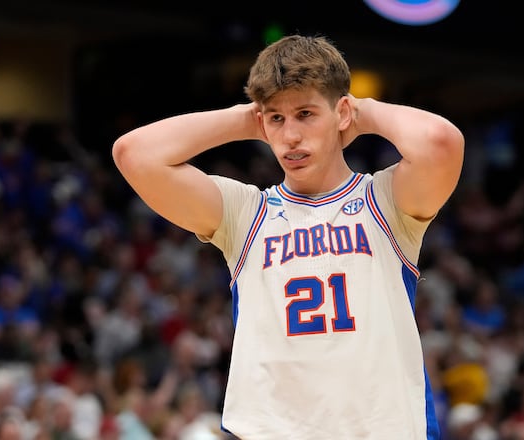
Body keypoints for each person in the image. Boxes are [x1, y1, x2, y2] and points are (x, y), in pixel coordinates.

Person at [113, 34, 464, 439]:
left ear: (341, 112)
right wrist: (248, 118)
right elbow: (133, 154)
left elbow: (440, 143)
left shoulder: (384, 201)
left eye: (306, 113)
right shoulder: (246, 213)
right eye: (277, 119)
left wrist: (359, 112)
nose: (290, 136)